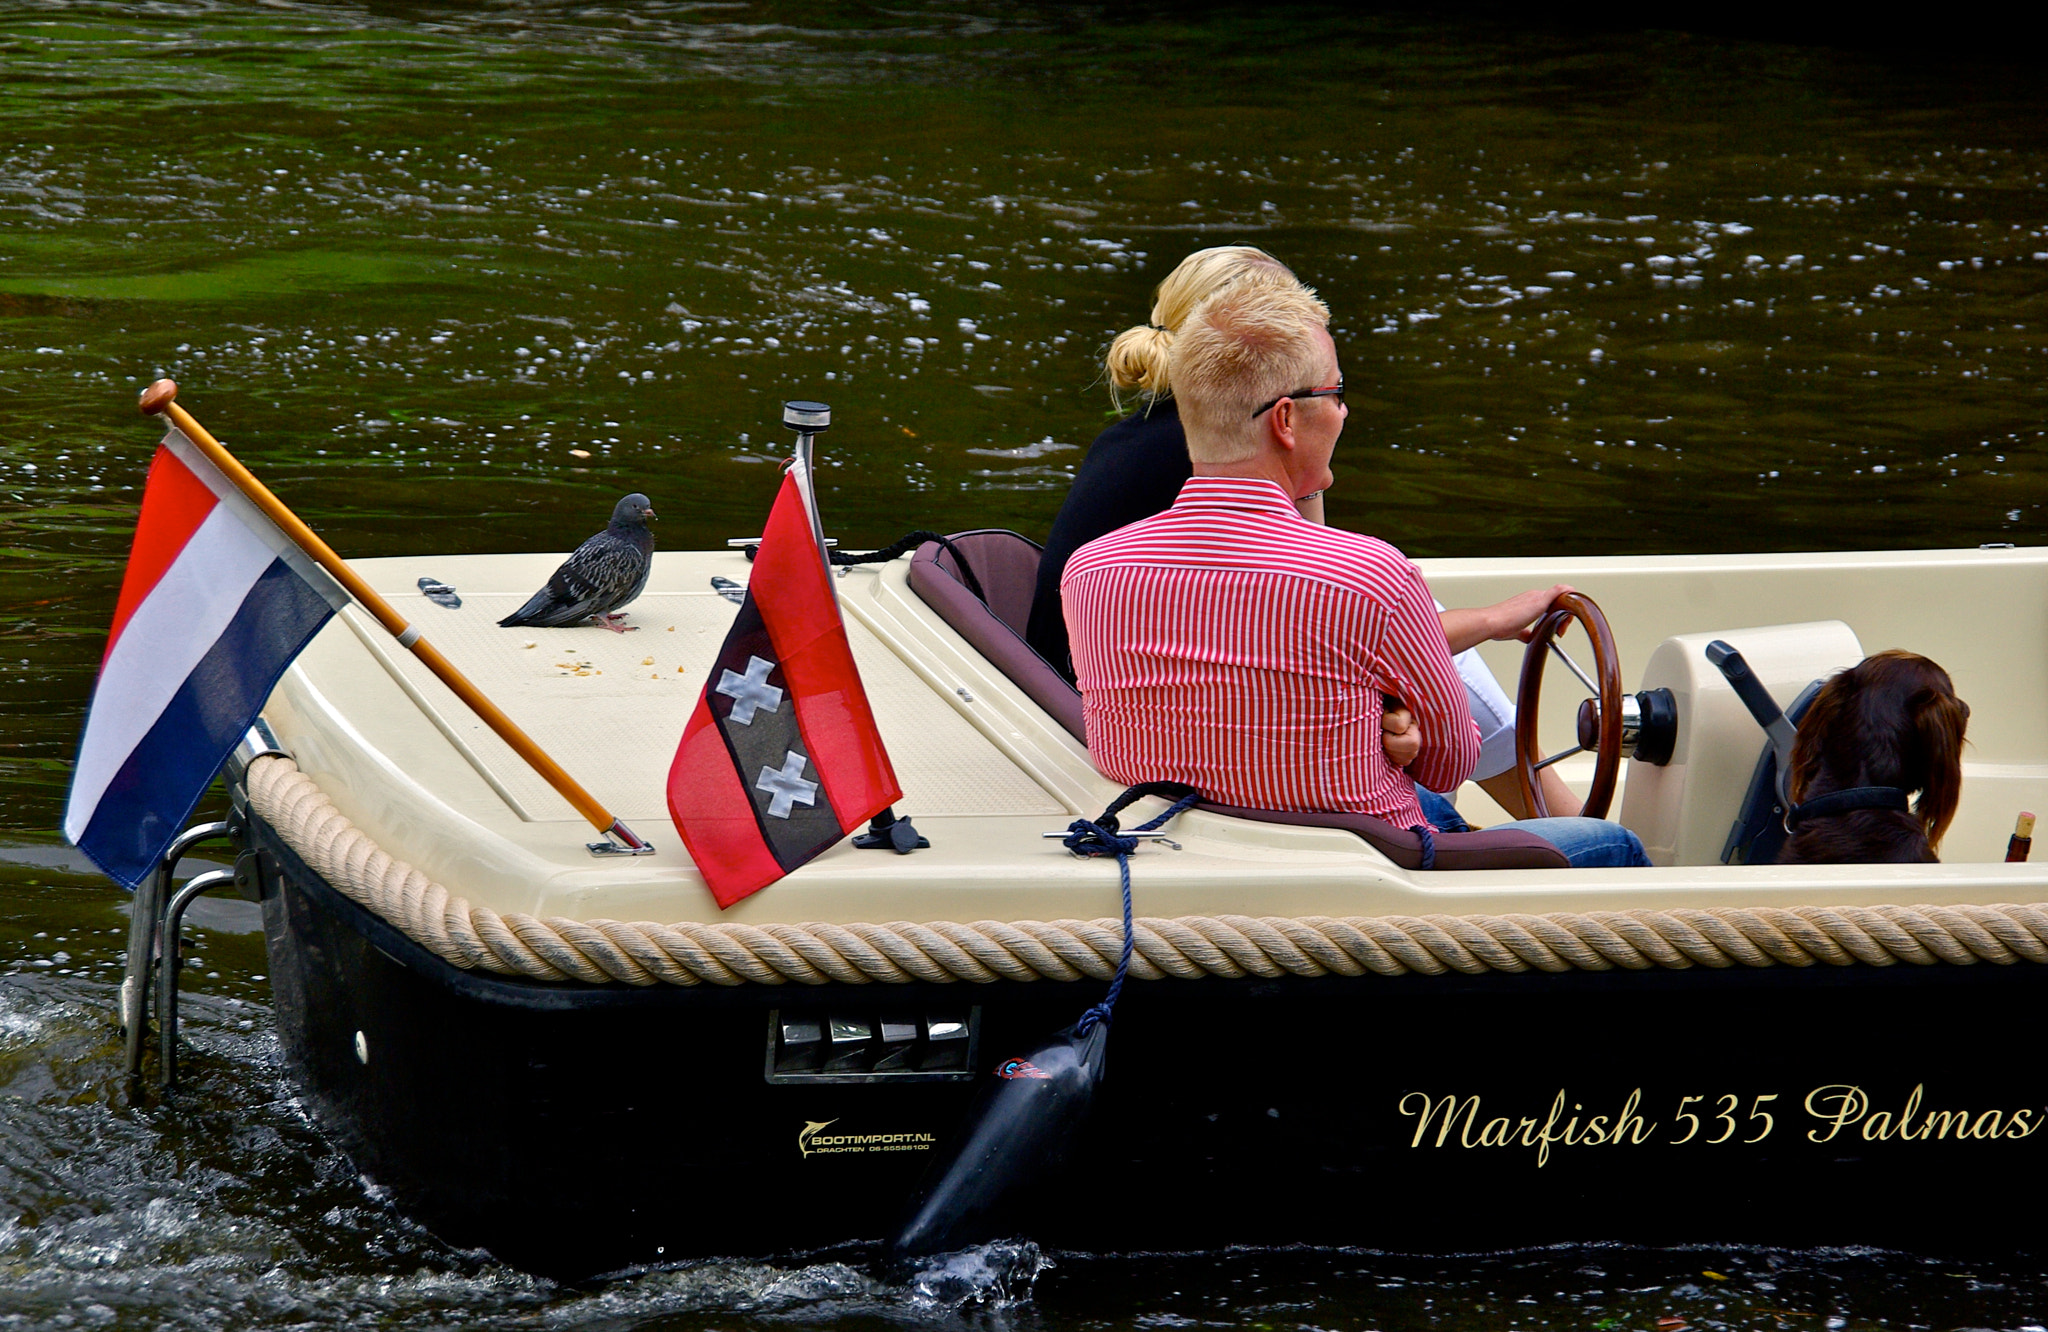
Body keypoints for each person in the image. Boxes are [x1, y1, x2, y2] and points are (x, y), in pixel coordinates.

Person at [1060, 280, 1649, 869]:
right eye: (1337, 392)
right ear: (1286, 419)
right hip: (1366, 875)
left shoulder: (1089, 573)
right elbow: (1449, 764)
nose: (1343, 411)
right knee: (1617, 846)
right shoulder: (1372, 577)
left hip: (1196, 856)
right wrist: (1405, 739)